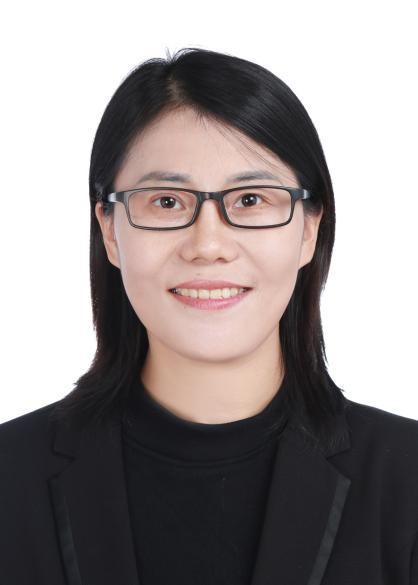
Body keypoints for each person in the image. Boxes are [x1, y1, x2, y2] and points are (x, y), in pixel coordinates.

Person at [0, 47, 417, 585]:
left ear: (309, 229)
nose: (208, 245)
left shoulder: (406, 480)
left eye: (250, 200)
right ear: (109, 229)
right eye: (167, 202)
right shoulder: (10, 478)